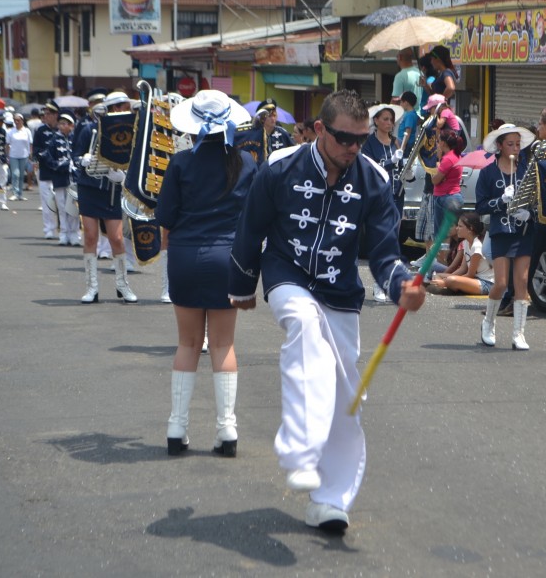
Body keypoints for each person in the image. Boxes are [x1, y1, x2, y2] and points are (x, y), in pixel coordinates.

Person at [228, 89, 425, 534]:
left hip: (340, 290)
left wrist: (403, 289)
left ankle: (331, 500)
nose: (354, 148)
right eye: (344, 139)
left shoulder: (373, 179)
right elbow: (249, 228)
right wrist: (240, 285)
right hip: (288, 274)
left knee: (344, 400)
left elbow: (384, 254)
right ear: (320, 129)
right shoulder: (279, 167)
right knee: (303, 328)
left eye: (360, 140)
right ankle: (298, 451)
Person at [156, 90, 256, 457]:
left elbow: (164, 217)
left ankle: (176, 428)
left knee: (187, 343)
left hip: (184, 257)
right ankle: (226, 430)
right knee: (223, 344)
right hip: (227, 258)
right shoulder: (246, 161)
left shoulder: (180, 162)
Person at [476, 123, 536, 350]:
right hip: (501, 231)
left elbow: (536, 201)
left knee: (521, 281)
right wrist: (500, 202)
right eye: (510, 144)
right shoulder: (488, 173)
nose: (515, 148)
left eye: (518, 144)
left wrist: (528, 214)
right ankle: (488, 322)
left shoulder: (526, 171)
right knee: (501, 282)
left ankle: (518, 334)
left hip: (523, 231)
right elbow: (481, 206)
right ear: (499, 146)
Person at [72, 91, 136, 303]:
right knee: (90, 236)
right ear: (109, 109)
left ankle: (122, 284)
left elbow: (132, 161)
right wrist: (84, 160)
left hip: (111, 189)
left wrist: (123, 175)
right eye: (117, 106)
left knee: (117, 238)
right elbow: (75, 155)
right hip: (89, 187)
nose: (121, 110)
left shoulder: (130, 133)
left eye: (124, 106)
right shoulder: (89, 129)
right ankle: (92, 287)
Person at [362, 103, 406, 302]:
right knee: (380, 239)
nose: (389, 123)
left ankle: (388, 282)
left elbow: (402, 168)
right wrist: (390, 163)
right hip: (379, 197)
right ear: (376, 121)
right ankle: (378, 284)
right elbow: (369, 169)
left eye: (391, 120)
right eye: (385, 119)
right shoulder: (369, 144)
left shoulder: (396, 143)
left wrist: (409, 172)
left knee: (393, 240)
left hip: (397, 196)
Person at [40, 113, 80, 247]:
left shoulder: (76, 139)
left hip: (74, 178)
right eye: (60, 123)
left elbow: (80, 155)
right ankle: (63, 233)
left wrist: (76, 164)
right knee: (62, 207)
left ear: (71, 126)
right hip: (59, 178)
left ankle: (74, 234)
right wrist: (59, 166)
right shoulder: (54, 140)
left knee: (73, 208)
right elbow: (48, 157)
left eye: (65, 123)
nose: (62, 126)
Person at [431, 212, 493, 295]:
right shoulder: (465, 243)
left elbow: (470, 274)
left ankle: (448, 286)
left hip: (486, 284)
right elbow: (463, 269)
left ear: (470, 228)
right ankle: (449, 286)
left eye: (460, 226)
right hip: (474, 280)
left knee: (451, 280)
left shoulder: (477, 246)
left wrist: (446, 281)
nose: (457, 228)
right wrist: (446, 278)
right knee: (439, 275)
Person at [430, 128, 465, 255]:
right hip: (455, 196)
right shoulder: (456, 155)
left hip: (445, 198)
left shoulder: (448, 159)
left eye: (438, 141)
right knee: (454, 233)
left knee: (442, 234)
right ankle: (452, 260)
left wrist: (437, 167)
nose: (437, 143)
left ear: (443, 143)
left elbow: (435, 180)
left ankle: (443, 264)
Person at [34, 102, 61, 239]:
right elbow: (36, 150)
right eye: (45, 114)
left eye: (49, 114)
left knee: (62, 202)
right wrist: (43, 156)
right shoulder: (40, 130)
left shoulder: (61, 129)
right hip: (45, 170)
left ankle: (64, 229)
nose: (46, 116)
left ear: (56, 115)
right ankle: (49, 228)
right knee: (46, 201)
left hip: (60, 171)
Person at [7, 113, 32, 201]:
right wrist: (7, 156)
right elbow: (7, 144)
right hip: (13, 155)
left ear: (22, 121)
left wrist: (30, 154)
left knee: (21, 175)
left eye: (18, 120)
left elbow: (30, 143)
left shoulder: (27, 131)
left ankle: (20, 194)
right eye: (15, 120)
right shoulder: (10, 131)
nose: (16, 122)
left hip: (24, 155)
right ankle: (14, 193)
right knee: (15, 174)